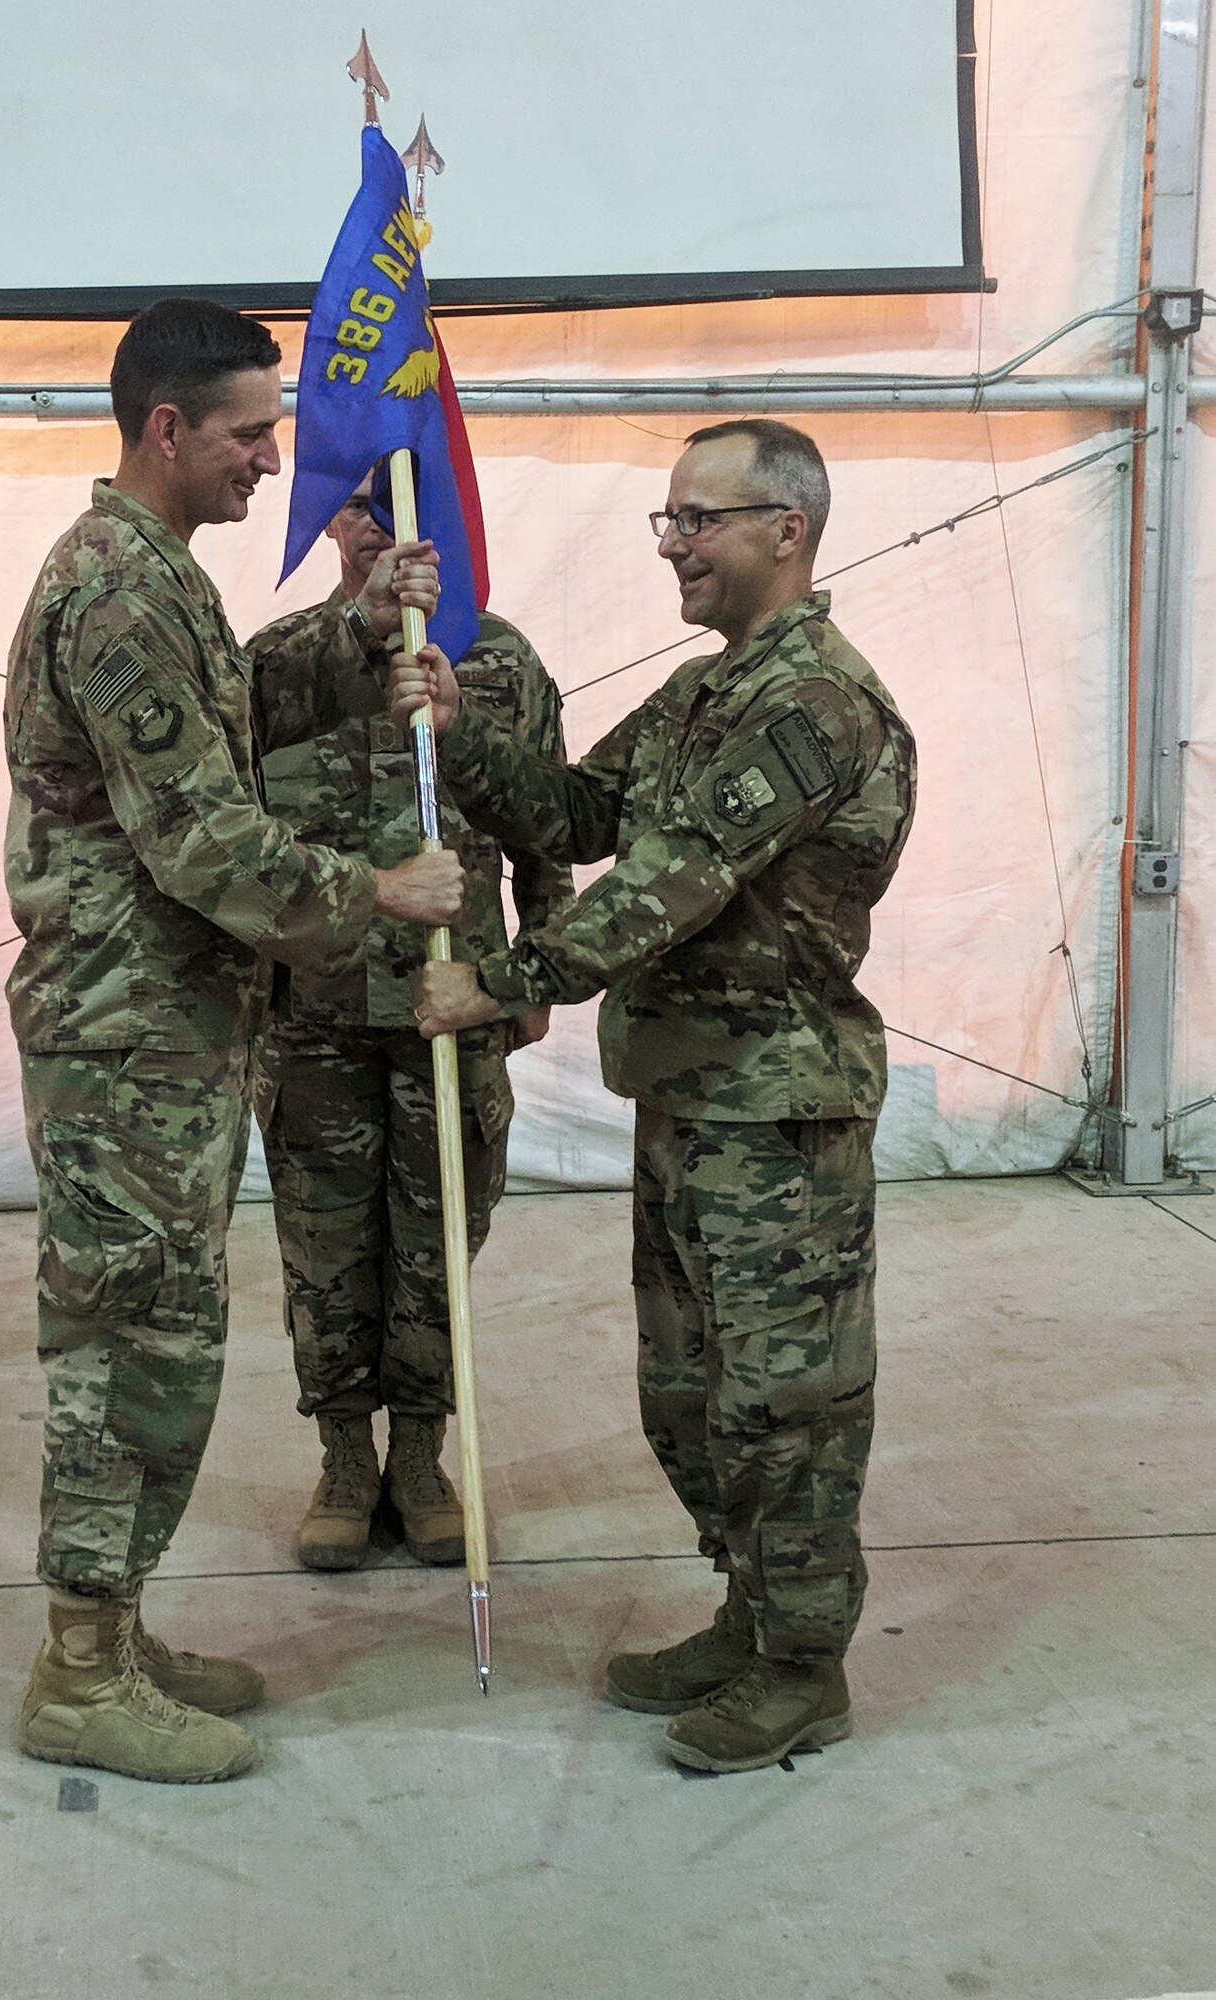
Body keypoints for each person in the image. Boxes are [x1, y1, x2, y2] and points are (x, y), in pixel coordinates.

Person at [391, 419, 916, 1774]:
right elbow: (575, 813)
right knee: (688, 1392)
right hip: (690, 1100)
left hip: (777, 1115)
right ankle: (747, 1615)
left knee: (784, 1408)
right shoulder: (706, 695)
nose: (673, 545)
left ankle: (803, 1664)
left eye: (699, 520)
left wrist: (504, 981)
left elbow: (665, 883)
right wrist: (464, 729)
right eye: (665, 521)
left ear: (784, 529)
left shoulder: (813, 704)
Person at [3, 300, 464, 1786]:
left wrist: (353, 630)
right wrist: (374, 893)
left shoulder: (157, 578)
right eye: (253, 432)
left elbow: (229, 720)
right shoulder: (117, 591)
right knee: (126, 1354)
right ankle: (80, 1670)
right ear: (164, 428)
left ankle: (113, 1633)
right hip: (130, 1042)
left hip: (175, 1036)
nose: (278, 458)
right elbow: (199, 833)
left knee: (165, 1346)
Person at [247, 478, 573, 1572]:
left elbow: (546, 824)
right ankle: (345, 1459)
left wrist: (534, 971)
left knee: (440, 1239)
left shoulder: (501, 661)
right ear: (327, 519)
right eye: (354, 502)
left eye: (397, 498)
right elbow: (231, 838)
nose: (375, 520)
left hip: (455, 1006)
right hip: (317, 1011)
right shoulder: (276, 665)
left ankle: (423, 1455)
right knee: (325, 1245)